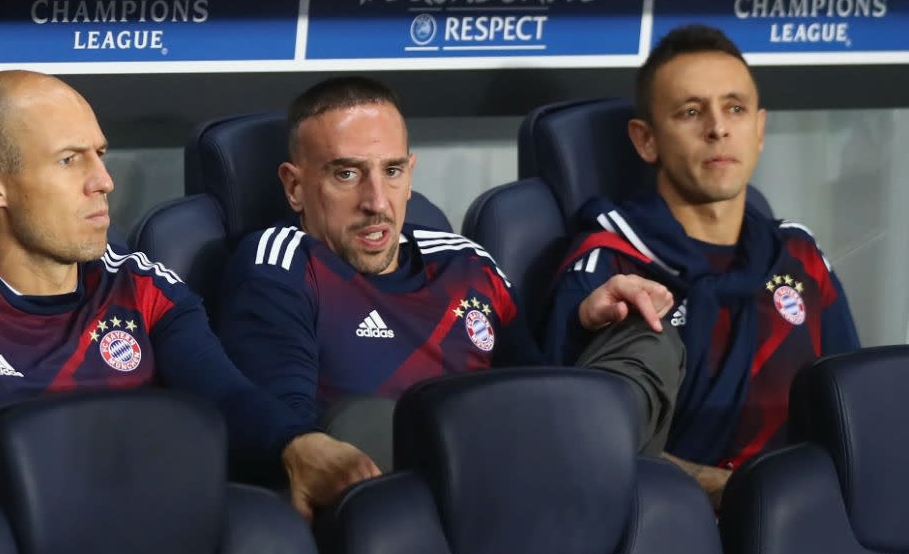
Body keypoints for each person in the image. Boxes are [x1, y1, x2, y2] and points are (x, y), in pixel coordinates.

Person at [218, 76, 677, 518]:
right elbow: (287, 436)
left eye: (392, 171)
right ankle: (583, 486)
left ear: (410, 172)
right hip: (414, 521)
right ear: (295, 186)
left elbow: (537, 394)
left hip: (519, 463)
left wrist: (579, 327)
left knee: (648, 334)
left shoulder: (467, 262)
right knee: (364, 426)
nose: (377, 201)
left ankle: (566, 488)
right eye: (346, 174)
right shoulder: (280, 265)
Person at [0, 70, 294, 494]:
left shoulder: (140, 285)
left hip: (141, 537)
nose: (104, 181)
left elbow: (228, 399)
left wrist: (299, 445)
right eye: (69, 160)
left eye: (100, 153)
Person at [545, 25, 859, 508]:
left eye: (735, 108)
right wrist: (740, 493)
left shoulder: (801, 257)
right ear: (646, 140)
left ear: (759, 129)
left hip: (809, 531)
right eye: (691, 112)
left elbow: (852, 412)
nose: (718, 128)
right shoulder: (608, 268)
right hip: (667, 537)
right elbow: (583, 447)